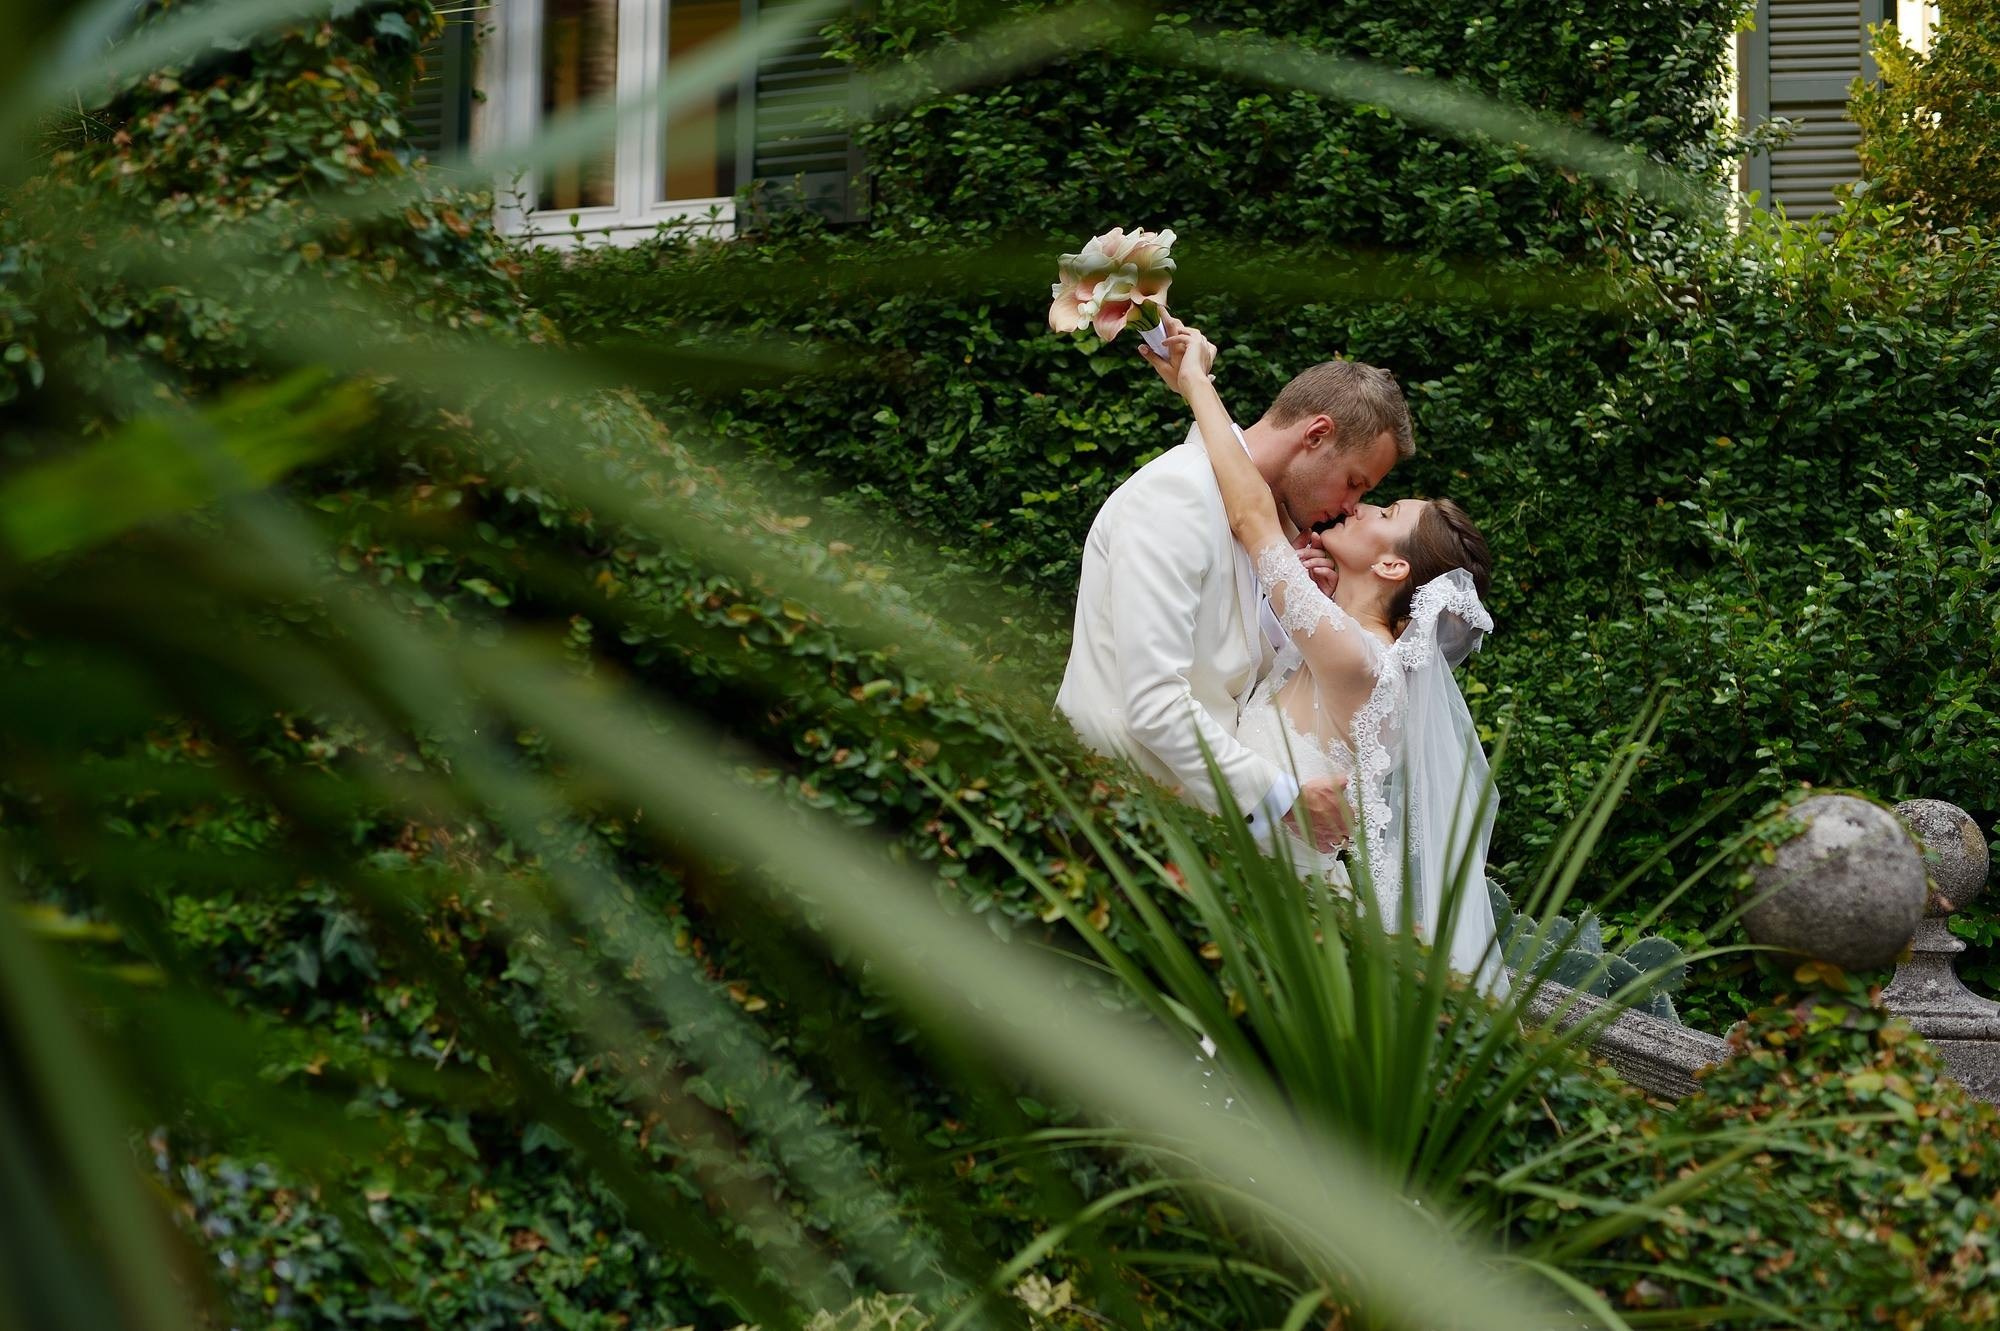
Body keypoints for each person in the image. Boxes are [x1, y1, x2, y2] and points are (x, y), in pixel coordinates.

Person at [1167, 322, 1506, 994]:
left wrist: (1194, 385)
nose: (1361, 505)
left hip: (1263, 893)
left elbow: (1253, 517)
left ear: (1389, 562)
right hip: (1243, 863)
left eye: (1384, 509)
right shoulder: (1344, 642)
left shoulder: (1359, 658)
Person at [1055, 318, 1411, 853]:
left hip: (1181, 835)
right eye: (1356, 483)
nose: (1350, 508)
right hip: (1107, 821)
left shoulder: (1265, 531)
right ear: (1316, 435)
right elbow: (1153, 703)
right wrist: (1284, 797)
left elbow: (1227, 670)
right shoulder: (1178, 494)